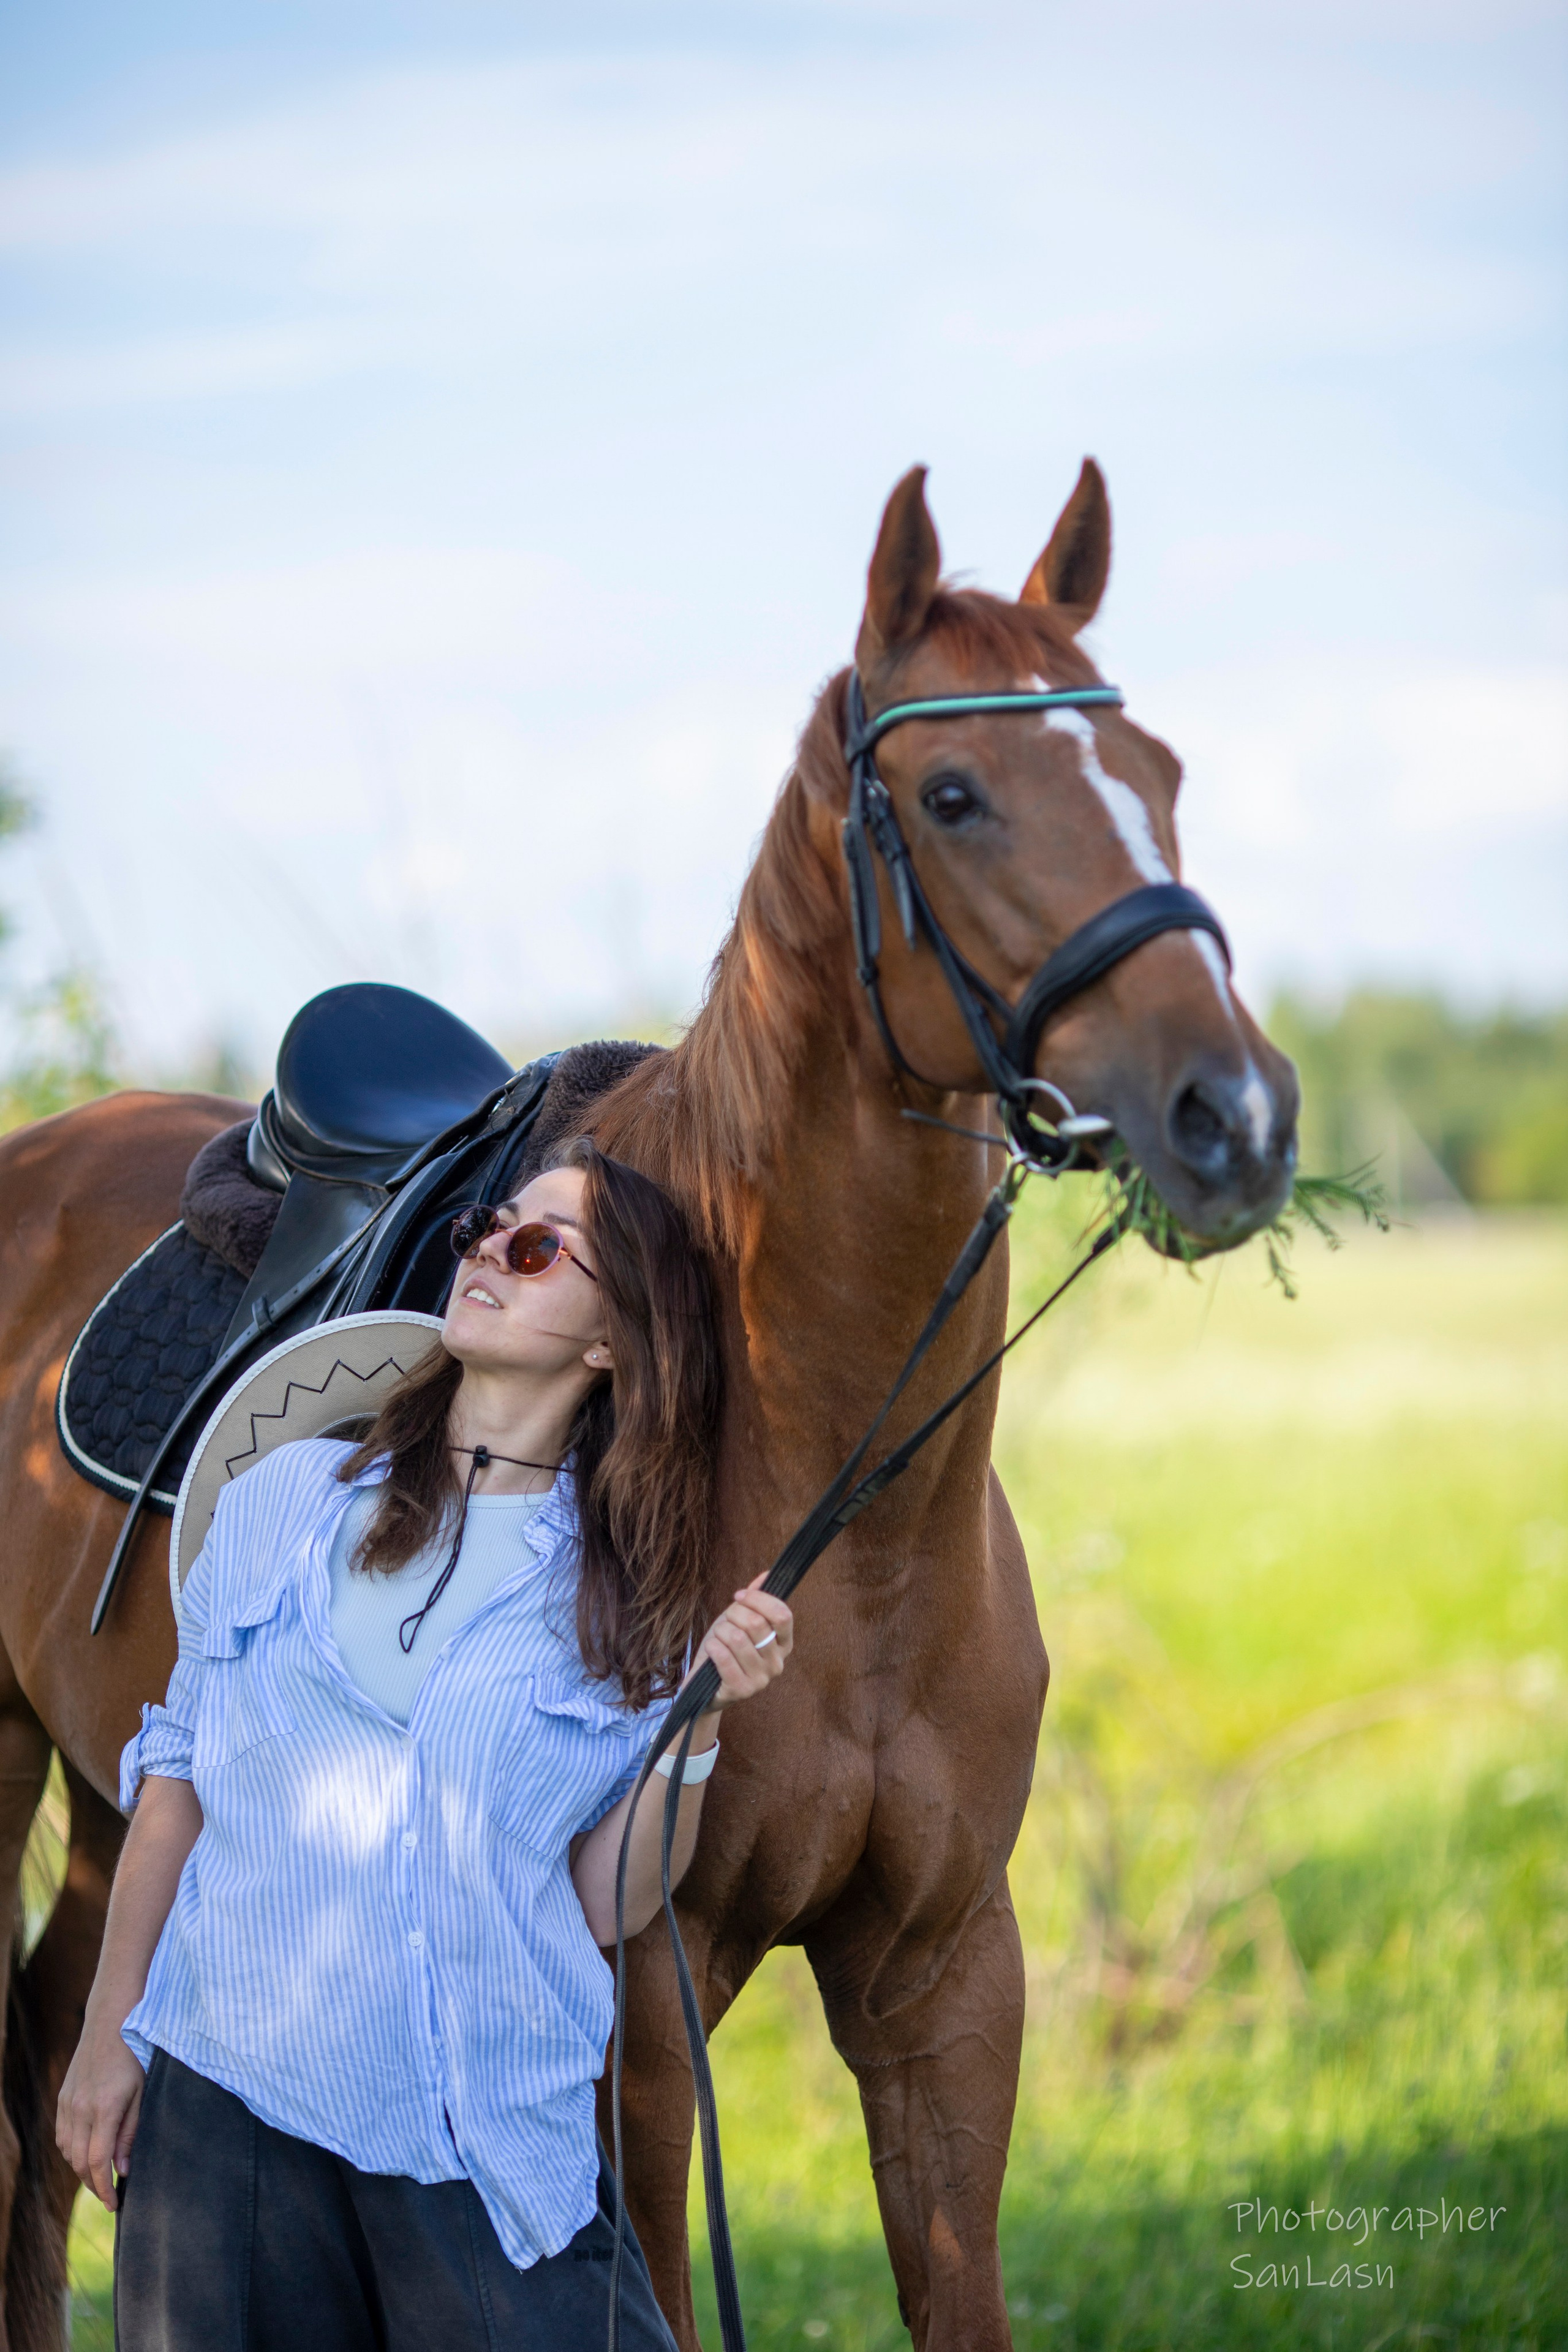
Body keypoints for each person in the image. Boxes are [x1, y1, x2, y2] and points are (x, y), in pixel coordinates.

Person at [58, 1135, 793, 2352]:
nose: (486, 1261)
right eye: (484, 1234)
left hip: (481, 2126)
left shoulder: (623, 1601)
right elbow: (178, 1775)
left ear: (613, 1340)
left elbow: (609, 1900)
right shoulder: (283, 1500)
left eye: (538, 1248)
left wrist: (699, 1716)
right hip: (231, 2105)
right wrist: (104, 2037)